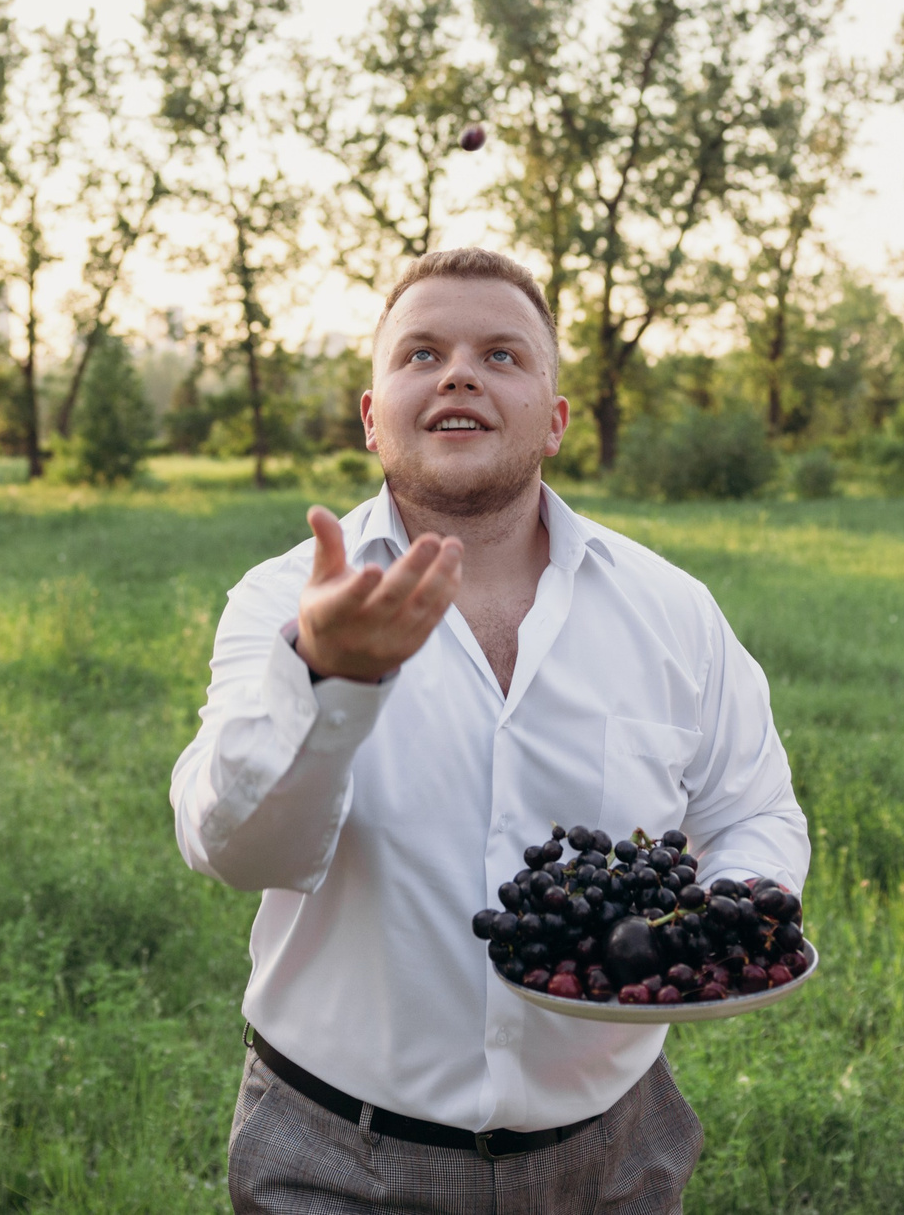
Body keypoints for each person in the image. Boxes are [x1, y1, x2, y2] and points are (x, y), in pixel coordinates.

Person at [171, 248, 810, 1214]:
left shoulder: (672, 612)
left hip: (614, 1152)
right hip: (341, 1157)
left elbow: (752, 809)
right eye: (420, 353)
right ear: (372, 418)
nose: (459, 372)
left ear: (555, 420)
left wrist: (704, 933)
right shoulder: (284, 603)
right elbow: (236, 847)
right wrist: (328, 676)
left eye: (502, 355)